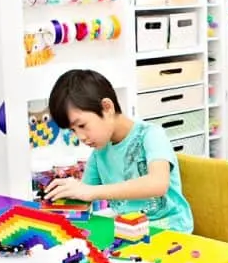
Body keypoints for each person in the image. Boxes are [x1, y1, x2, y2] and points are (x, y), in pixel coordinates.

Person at [44, 69, 193, 233]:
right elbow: (84, 196)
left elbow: (158, 184)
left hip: (170, 229)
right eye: (73, 130)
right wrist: (66, 193)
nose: (81, 137)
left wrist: (90, 192)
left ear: (107, 107)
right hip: (128, 231)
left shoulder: (151, 135)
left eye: (82, 126)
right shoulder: (99, 152)